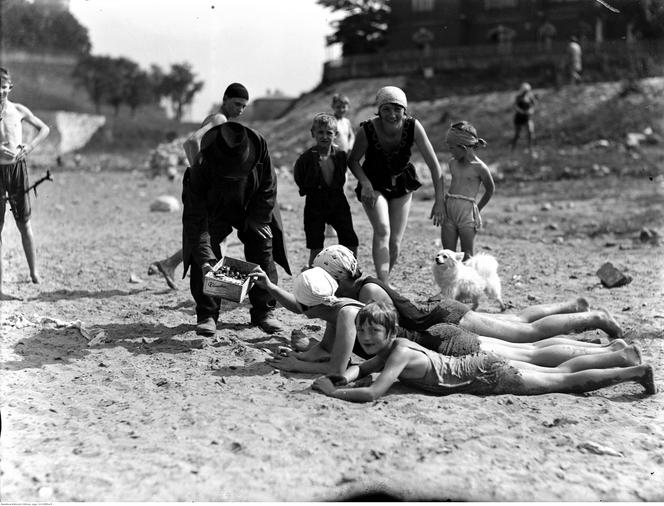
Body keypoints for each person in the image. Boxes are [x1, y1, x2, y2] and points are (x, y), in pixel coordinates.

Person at [254, 260, 629, 378]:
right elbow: (322, 335)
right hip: (435, 329)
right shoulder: (343, 303)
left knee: (525, 339)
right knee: (522, 332)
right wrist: (302, 355)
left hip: (441, 327)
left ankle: (594, 325)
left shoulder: (363, 299)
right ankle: (581, 318)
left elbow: (335, 358)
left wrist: (301, 361)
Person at [311, 301, 656, 402]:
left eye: (374, 332)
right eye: (364, 332)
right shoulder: (394, 347)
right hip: (480, 364)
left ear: (389, 332)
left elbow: (373, 391)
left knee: (564, 380)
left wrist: (334, 392)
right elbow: (365, 368)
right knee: (548, 363)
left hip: (487, 374)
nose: (367, 338)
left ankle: (633, 371)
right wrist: (343, 375)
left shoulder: (397, 353)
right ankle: (620, 357)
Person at [313, 244, 624, 344]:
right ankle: (574, 304)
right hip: (438, 312)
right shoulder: (359, 285)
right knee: (515, 320)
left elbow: (386, 330)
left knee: (522, 333)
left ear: (340, 275)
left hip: (444, 316)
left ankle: (594, 317)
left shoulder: (367, 290)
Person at [182, 120, 291, 336]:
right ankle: (207, 315)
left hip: (252, 205)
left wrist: (258, 218)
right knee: (202, 254)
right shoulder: (200, 168)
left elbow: (269, 186)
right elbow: (196, 219)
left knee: (263, 244)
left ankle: (264, 313)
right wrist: (205, 259)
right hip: (214, 210)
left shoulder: (259, 148)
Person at [147, 83, 250, 289]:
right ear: (225, 99)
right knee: (214, 236)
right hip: (206, 189)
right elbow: (191, 142)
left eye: (244, 106)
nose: (240, 109)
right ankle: (216, 286)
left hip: (209, 189)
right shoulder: (219, 120)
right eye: (237, 104)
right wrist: (200, 175)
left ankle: (169, 264)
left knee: (208, 234)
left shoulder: (218, 119)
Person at [348, 86, 444, 286]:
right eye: (386, 109)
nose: (392, 114)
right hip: (373, 184)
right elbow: (353, 160)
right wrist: (364, 183)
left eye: (397, 109)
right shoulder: (367, 129)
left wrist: (439, 200)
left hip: (402, 182)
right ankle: (383, 284)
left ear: (404, 109)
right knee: (383, 229)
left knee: (395, 241)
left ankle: (383, 282)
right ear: (379, 110)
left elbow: (434, 165)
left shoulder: (414, 127)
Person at [0, 67, 50, 301]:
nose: (0, 91)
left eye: (3, 87)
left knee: (24, 223)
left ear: (10, 87)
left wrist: (28, 148)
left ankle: (34, 271)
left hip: (17, 171)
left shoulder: (17, 110)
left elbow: (44, 128)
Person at [294, 113, 359, 269]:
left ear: (335, 135)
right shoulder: (305, 158)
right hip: (314, 203)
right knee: (315, 243)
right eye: (320, 132)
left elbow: (347, 171)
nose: (324, 136)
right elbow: (299, 177)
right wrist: (308, 189)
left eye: (329, 133)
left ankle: (350, 272)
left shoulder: (341, 156)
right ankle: (314, 277)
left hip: (337, 201)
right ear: (313, 133)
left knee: (350, 240)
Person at [440, 121, 495, 260]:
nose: (450, 152)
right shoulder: (452, 163)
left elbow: (490, 189)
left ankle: (467, 281)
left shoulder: (480, 168)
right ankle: (449, 281)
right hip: (450, 209)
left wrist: (478, 208)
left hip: (467, 213)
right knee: (447, 254)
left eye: (452, 148)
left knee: (467, 255)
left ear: (463, 147)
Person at [510, 82, 537, 152]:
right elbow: (515, 106)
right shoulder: (518, 97)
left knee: (530, 132)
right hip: (519, 118)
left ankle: (530, 148)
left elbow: (533, 106)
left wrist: (531, 110)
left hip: (527, 118)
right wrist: (521, 111)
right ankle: (513, 148)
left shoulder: (530, 98)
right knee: (517, 134)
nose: (526, 92)